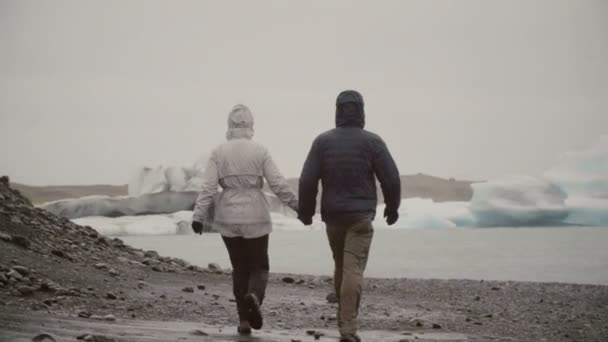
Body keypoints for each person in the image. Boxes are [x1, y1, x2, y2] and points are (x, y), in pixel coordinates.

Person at [298, 90, 401, 342]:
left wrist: (306, 211)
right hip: (360, 217)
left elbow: (308, 179)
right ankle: (348, 327)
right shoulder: (373, 142)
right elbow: (391, 177)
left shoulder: (322, 141)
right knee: (353, 269)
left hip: (333, 216)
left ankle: (344, 321)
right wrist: (392, 206)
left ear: (337, 111)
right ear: (362, 111)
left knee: (341, 267)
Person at [191, 104, 298, 335]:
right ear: (250, 125)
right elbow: (277, 183)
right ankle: (255, 297)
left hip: (227, 216)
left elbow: (208, 187)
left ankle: (244, 322)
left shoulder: (218, 152)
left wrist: (198, 216)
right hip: (255, 215)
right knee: (259, 266)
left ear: (229, 125)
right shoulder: (260, 150)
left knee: (239, 268)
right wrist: (297, 205)